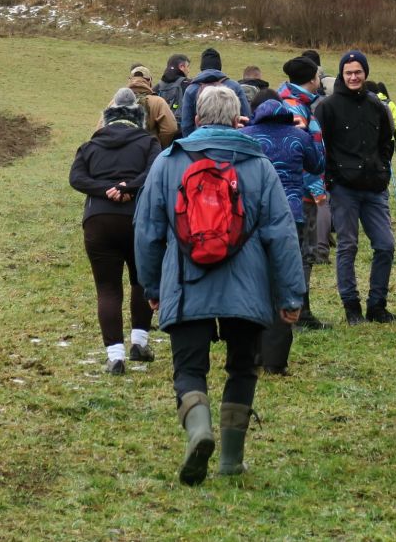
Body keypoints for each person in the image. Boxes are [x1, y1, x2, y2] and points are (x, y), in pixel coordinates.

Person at [134, 85, 305, 485]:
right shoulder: (259, 165)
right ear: (237, 120)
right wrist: (290, 295)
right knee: (242, 368)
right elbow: (281, 233)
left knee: (189, 369)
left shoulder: (168, 162)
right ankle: (230, 459)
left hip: (186, 284)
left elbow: (147, 230)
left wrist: (152, 286)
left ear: (196, 118)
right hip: (247, 287)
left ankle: (199, 430)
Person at [70, 89, 163, 374]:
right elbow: (155, 171)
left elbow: (76, 178)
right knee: (141, 281)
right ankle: (139, 343)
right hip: (137, 219)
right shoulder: (148, 142)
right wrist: (128, 187)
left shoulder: (90, 146)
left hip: (98, 221)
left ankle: (115, 357)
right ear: (137, 117)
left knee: (107, 288)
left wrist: (105, 190)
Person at [241, 96, 326, 373]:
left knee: (253, 282)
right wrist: (310, 134)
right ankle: (275, 359)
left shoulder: (246, 136)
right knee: (284, 280)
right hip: (291, 215)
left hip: (253, 216)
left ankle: (252, 351)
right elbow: (318, 165)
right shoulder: (298, 136)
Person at [316, 49, 396, 325]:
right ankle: (351, 307)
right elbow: (320, 146)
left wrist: (382, 169)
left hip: (374, 188)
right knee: (347, 246)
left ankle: (377, 305)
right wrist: (332, 178)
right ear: (342, 74)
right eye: (348, 72)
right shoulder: (327, 107)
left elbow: (386, 141)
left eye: (358, 72)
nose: (353, 77)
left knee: (386, 245)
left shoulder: (377, 105)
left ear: (365, 73)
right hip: (344, 189)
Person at [277, 57, 329, 329]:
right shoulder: (296, 108)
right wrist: (316, 188)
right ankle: (300, 311)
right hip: (301, 191)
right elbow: (300, 151)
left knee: (301, 250)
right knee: (303, 252)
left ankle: (299, 308)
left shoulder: (292, 101)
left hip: (295, 188)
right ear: (312, 79)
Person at [178, 47, 252, 137]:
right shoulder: (234, 86)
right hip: (230, 139)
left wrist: (190, 142)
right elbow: (247, 118)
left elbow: (186, 125)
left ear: (202, 67)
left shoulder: (191, 89)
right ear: (219, 66)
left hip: (200, 141)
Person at [125, 65, 179, 149]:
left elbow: (104, 126)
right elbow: (170, 129)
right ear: (149, 81)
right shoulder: (158, 101)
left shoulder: (116, 101)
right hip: (147, 150)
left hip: (122, 150)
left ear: (130, 80)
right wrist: (158, 145)